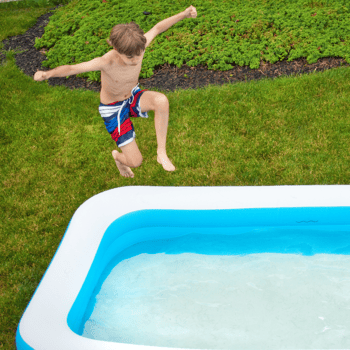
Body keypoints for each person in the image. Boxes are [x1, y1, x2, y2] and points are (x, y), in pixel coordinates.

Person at [34, 5, 197, 178]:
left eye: (139, 54)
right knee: (136, 162)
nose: (135, 60)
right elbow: (72, 68)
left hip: (132, 96)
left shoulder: (137, 45)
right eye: (130, 57)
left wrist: (184, 14)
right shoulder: (106, 61)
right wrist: (47, 74)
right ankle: (118, 159)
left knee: (161, 100)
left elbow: (157, 28)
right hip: (113, 108)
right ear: (118, 50)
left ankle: (161, 153)